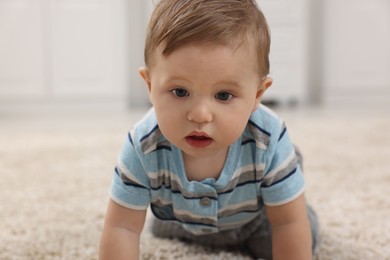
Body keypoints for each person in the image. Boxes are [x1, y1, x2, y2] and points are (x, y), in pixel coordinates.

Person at [99, 0, 319, 259]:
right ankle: (176, 218)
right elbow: (122, 226)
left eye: (224, 95)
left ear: (257, 94)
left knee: (293, 236)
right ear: (149, 85)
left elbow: (287, 223)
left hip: (255, 219)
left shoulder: (268, 139)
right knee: (162, 225)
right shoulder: (142, 144)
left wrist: (292, 220)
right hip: (182, 217)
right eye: (180, 92)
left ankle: (290, 179)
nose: (200, 115)